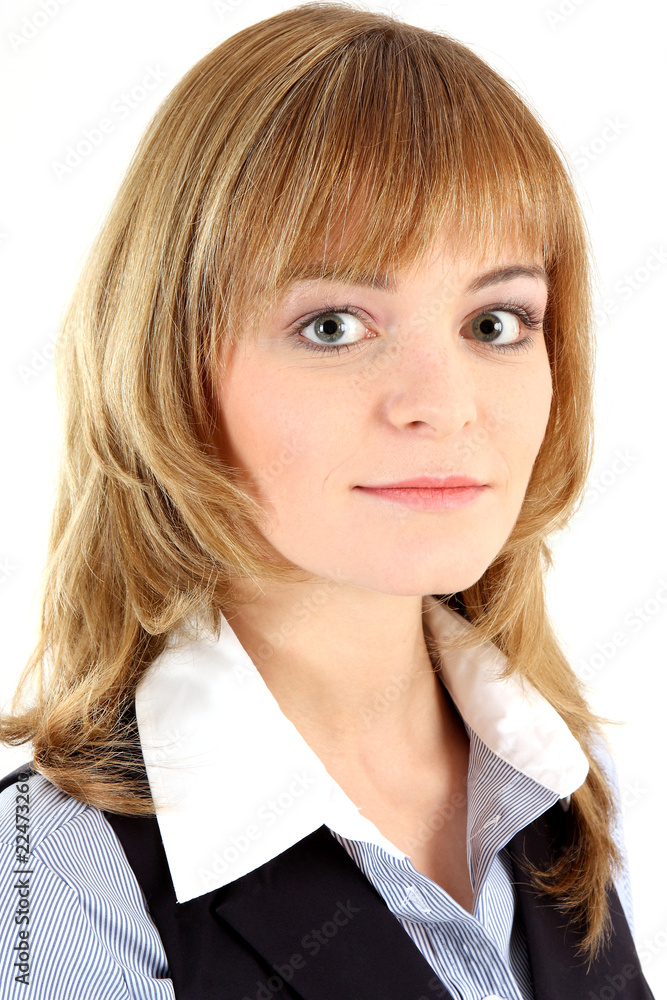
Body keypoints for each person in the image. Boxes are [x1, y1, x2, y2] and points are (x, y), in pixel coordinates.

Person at [0, 2, 655, 998]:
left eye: (495, 321)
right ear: (171, 362)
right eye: (334, 325)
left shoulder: (571, 777)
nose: (443, 404)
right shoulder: (57, 876)